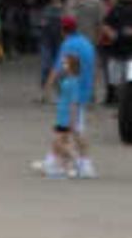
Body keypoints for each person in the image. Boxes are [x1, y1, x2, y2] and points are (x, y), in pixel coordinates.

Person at [42, 13, 99, 178]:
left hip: (72, 95)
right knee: (64, 131)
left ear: (63, 30)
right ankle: (53, 160)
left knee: (74, 130)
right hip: (84, 90)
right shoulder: (86, 42)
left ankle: (83, 163)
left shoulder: (68, 45)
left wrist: (47, 87)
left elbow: (57, 68)